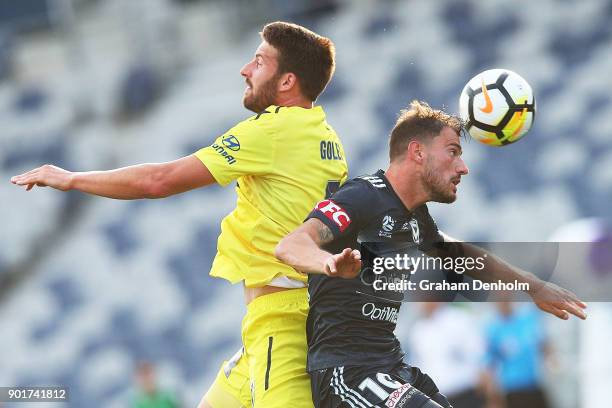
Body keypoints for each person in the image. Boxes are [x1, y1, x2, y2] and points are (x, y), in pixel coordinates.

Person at [11, 22, 347, 408]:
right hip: (283, 319)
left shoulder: (272, 132)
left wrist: (71, 178)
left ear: (287, 81)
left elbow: (159, 180)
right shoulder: (326, 136)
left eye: (258, 61)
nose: (245, 70)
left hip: (283, 324)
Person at [275, 100, 587, 408]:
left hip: (390, 367)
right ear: (417, 152)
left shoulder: (415, 218)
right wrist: (327, 262)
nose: (463, 167)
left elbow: (462, 256)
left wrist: (533, 286)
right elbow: (291, 245)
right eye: (453, 152)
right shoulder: (363, 196)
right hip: (348, 372)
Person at [484, 302, 552, 408]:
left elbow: (543, 343)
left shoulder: (527, 320)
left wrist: (550, 358)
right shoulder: (493, 329)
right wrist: (492, 396)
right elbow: (489, 364)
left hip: (534, 384)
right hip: (513, 389)